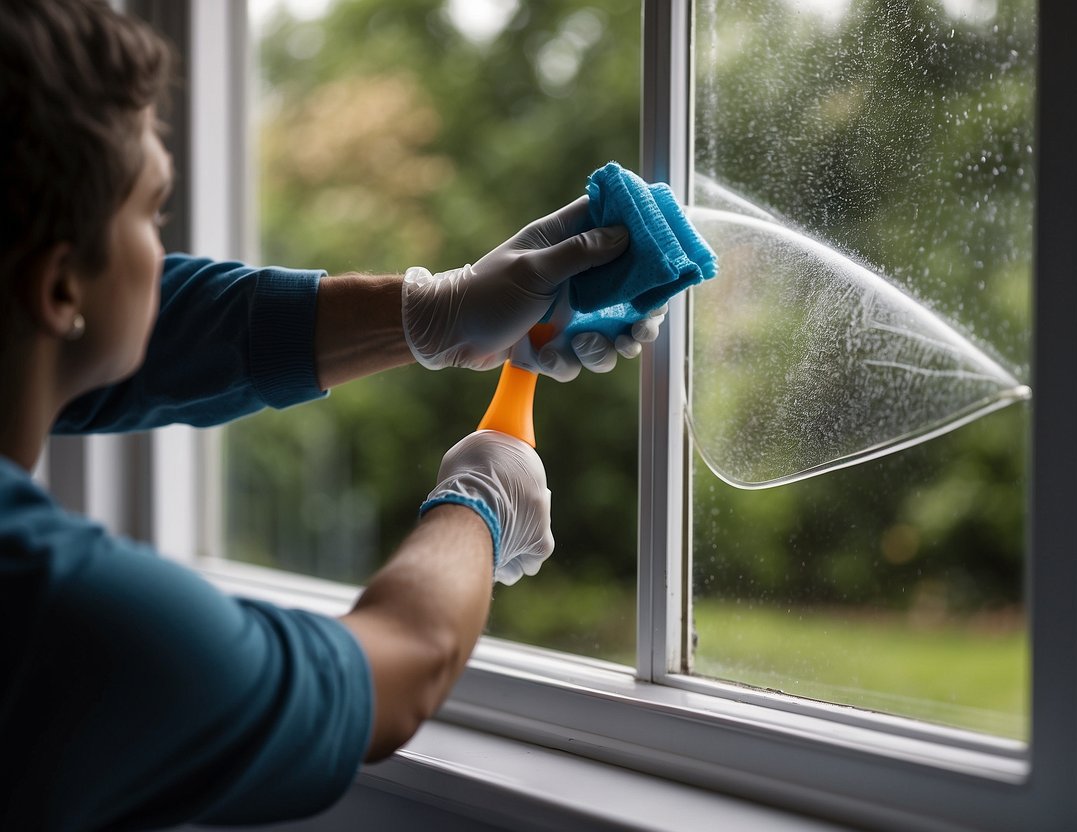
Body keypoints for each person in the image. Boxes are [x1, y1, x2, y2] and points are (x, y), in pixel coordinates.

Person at [0, 1, 661, 828]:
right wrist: (478, 505)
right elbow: (392, 671)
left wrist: (440, 310)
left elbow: (154, 325)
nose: (159, 251)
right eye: (150, 212)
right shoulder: (61, 619)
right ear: (60, 286)